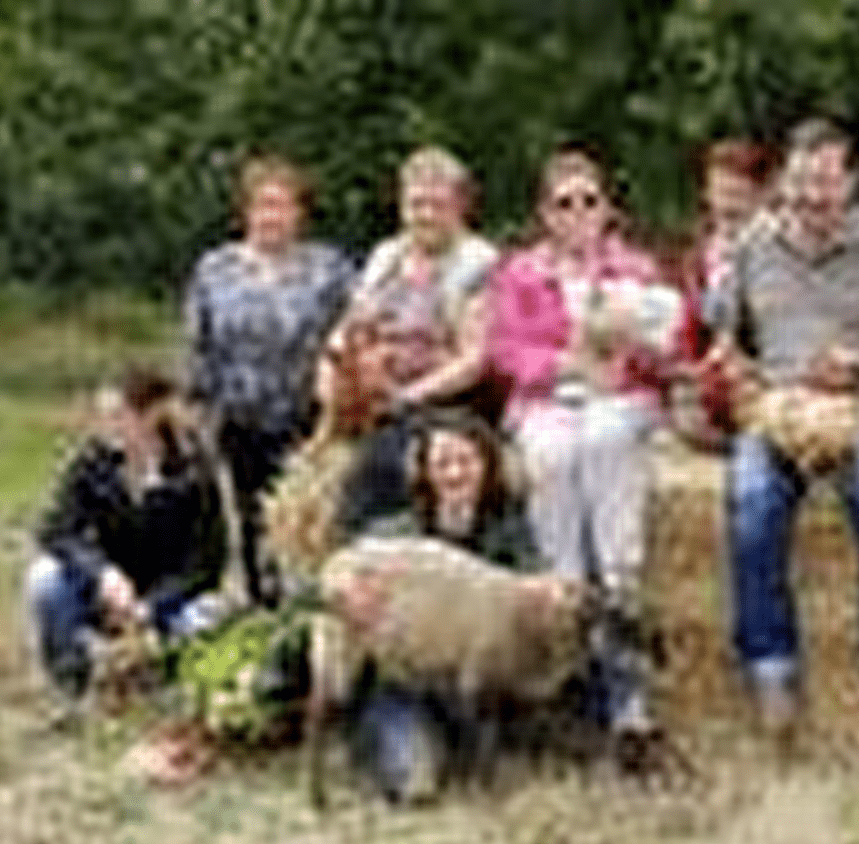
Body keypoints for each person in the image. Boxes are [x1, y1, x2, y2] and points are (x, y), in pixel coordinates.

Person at [702, 117, 859, 728]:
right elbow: (724, 335)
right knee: (751, 502)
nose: (811, 197)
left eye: (825, 183)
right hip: (779, 410)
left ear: (852, 182)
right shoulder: (753, 246)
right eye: (800, 182)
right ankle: (771, 666)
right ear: (783, 181)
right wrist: (737, 369)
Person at [484, 144, 676, 750]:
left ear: (606, 208)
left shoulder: (637, 268)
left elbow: (668, 345)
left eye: (588, 200)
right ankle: (565, 653)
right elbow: (504, 352)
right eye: (563, 202)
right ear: (545, 213)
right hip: (547, 401)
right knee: (549, 459)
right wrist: (564, 363)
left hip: (619, 403)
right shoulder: (519, 274)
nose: (577, 212)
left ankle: (628, 687)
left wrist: (629, 350)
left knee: (604, 447)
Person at [328, 408, 545, 803]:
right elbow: (330, 580)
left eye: (466, 461)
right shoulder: (394, 534)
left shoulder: (510, 532)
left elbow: (536, 589)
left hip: (480, 682)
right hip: (403, 680)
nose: (456, 474)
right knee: (415, 776)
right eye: (443, 463)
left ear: (487, 465)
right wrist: (345, 594)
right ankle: (401, 754)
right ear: (425, 472)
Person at [184, 155, 354, 608]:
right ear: (246, 211)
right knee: (253, 523)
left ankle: (313, 616)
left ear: (301, 213)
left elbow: (353, 335)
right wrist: (201, 417)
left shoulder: (330, 268)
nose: (272, 216)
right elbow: (200, 348)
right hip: (241, 420)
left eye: (283, 205)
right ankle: (267, 616)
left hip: (313, 420)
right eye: (263, 205)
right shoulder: (215, 269)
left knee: (312, 524)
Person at [24, 369, 227, 714]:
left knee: (207, 619)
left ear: (150, 416)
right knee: (44, 579)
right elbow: (55, 529)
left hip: (171, 598)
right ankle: (71, 684)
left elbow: (206, 564)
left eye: (118, 416)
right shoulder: (91, 461)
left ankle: (176, 686)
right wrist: (102, 574)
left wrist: (152, 605)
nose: (107, 426)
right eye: (103, 416)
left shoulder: (194, 471)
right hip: (103, 591)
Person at [334, 146, 503, 528]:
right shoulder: (386, 256)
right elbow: (354, 323)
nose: (424, 216)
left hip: (450, 399)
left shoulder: (478, 263)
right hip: (385, 392)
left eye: (437, 205)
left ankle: (390, 558)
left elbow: (475, 358)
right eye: (415, 205)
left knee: (389, 465)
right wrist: (339, 364)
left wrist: (409, 396)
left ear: (460, 207)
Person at [671, 139, 779, 449]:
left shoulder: (779, 249)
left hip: (766, 369)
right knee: (686, 410)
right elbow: (690, 327)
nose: (726, 206)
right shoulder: (702, 252)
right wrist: (689, 364)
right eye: (719, 193)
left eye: (737, 196)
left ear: (760, 196)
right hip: (717, 373)